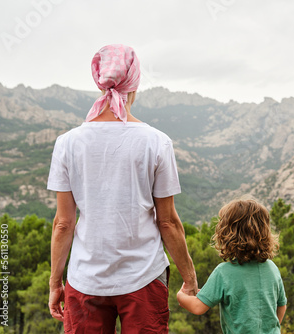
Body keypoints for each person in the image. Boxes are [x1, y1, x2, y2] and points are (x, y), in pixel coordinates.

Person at [47, 44, 197, 333]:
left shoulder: (67, 143)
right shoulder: (156, 142)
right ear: (136, 83)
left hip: (84, 280)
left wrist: (55, 282)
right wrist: (189, 277)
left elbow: (63, 223)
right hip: (144, 277)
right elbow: (167, 221)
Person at [177, 198, 287, 334]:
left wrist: (181, 296)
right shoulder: (272, 268)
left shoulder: (224, 272)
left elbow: (197, 307)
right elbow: (281, 305)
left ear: (227, 234)